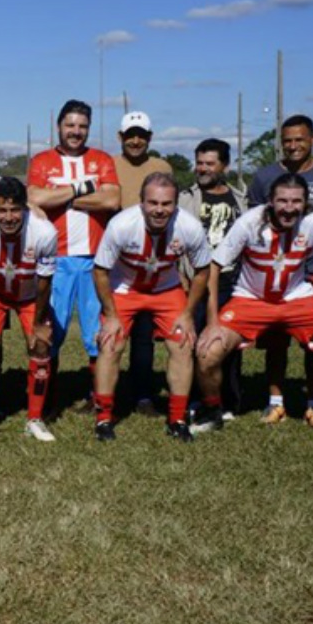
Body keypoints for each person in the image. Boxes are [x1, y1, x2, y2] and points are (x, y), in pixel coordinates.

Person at [193, 173, 313, 434]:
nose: (289, 208)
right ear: (270, 202)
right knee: (207, 352)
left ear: (305, 203)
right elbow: (214, 267)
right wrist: (212, 322)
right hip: (249, 299)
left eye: (296, 201)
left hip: (297, 298)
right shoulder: (249, 223)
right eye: (282, 200)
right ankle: (212, 411)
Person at [91, 173, 211, 442]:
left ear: (176, 204)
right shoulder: (122, 225)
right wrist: (110, 315)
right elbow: (100, 271)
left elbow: (202, 271)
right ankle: (103, 419)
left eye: (166, 204)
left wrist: (187, 313)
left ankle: (177, 419)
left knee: (182, 344)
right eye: (153, 202)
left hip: (166, 290)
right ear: (141, 202)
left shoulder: (189, 227)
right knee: (111, 343)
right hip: (125, 288)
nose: (159, 210)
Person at [28, 99, 121, 403]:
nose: (75, 132)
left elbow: (111, 201)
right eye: (70, 125)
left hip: (96, 260)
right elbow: (35, 197)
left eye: (82, 126)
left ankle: (99, 396)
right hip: (57, 259)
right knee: (51, 330)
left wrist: (61, 198)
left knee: (97, 332)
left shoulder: (102, 159)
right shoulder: (42, 161)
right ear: (59, 125)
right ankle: (48, 398)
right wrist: (83, 189)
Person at [0, 178, 58, 441]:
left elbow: (44, 282)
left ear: (25, 208)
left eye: (15, 209)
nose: (8, 217)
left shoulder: (44, 232)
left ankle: (35, 419)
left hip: (30, 296)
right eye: (2, 210)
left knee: (41, 344)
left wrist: (39, 322)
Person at [245, 115, 313, 425]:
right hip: (277, 273)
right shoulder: (265, 177)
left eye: (299, 139)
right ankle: (275, 401)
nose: (292, 146)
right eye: (287, 140)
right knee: (276, 341)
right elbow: (252, 223)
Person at [178, 138, 246, 417]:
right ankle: (198, 398)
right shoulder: (186, 199)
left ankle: (230, 399)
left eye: (210, 163)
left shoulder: (240, 199)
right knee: (194, 340)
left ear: (225, 166)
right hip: (196, 279)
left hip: (232, 280)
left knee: (228, 344)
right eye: (200, 163)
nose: (203, 168)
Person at [110, 112, 172, 416]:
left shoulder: (161, 167)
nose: (136, 141)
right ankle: (102, 393)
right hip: (117, 260)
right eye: (130, 135)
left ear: (150, 137)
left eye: (142, 135)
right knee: (109, 331)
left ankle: (143, 394)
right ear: (120, 137)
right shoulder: (109, 165)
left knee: (144, 335)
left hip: (152, 261)